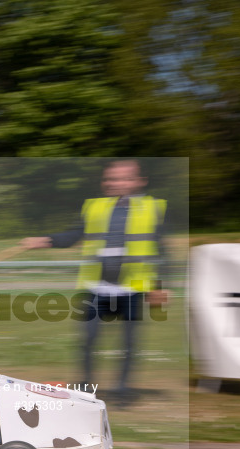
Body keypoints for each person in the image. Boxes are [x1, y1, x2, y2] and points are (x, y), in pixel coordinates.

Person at [20, 159, 168, 397]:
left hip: (132, 288)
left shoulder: (153, 209)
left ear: (140, 181)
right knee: (87, 340)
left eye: (124, 178)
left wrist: (159, 286)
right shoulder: (94, 207)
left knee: (128, 345)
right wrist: (46, 240)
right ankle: (86, 389)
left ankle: (122, 391)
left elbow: (162, 250)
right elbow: (74, 234)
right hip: (97, 288)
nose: (116, 183)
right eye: (111, 178)